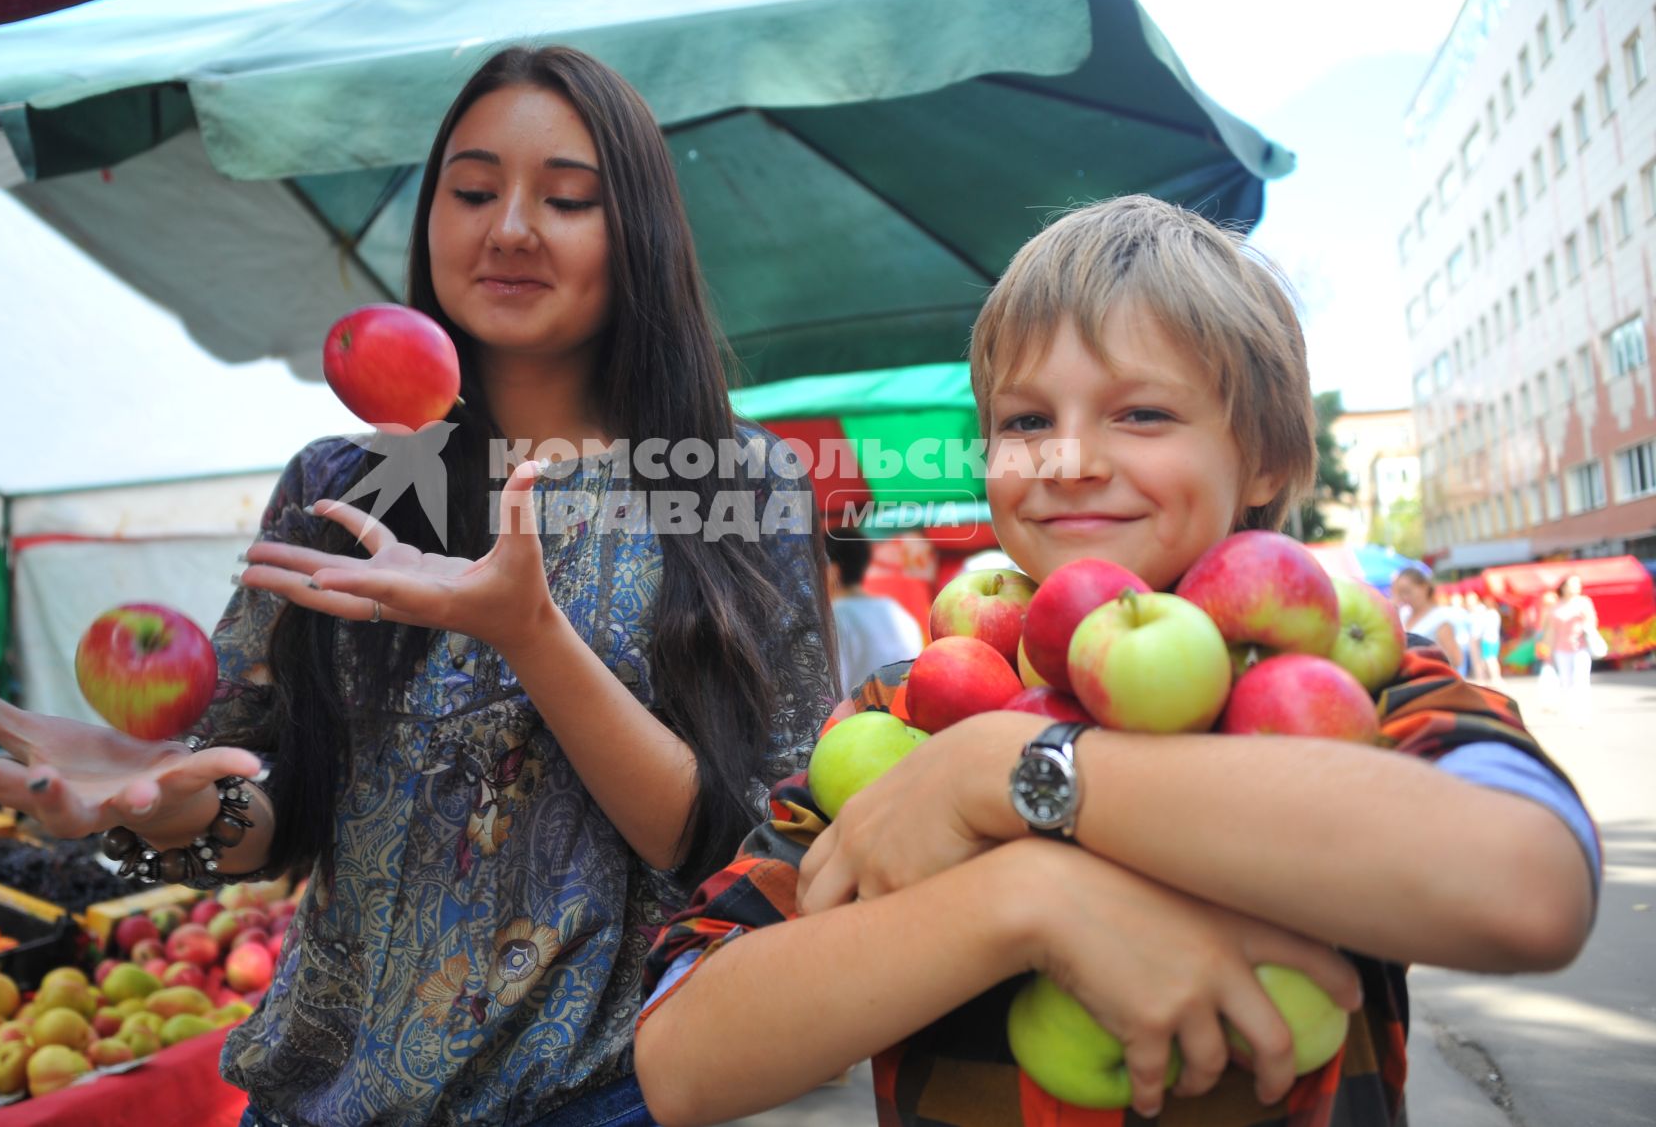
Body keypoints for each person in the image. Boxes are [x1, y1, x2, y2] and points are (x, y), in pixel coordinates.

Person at [0, 45, 837, 1126]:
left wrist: (530, 632)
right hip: (319, 1099)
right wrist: (173, 801)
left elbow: (757, 847)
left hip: (604, 1100)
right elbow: (274, 804)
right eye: (474, 190)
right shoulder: (341, 485)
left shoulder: (738, 484)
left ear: (638, 229)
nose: (509, 229)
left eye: (569, 198)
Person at [632, 196, 1598, 1127]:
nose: (1069, 460)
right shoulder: (916, 706)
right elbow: (680, 1060)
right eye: (1025, 422)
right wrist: (1020, 900)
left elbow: (1531, 888)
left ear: (1262, 457)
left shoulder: (1346, 681)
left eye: (1140, 413)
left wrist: (1018, 772)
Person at [823, 533, 926, 689]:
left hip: (858, 712)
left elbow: (833, 688)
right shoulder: (896, 611)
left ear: (833, 571)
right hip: (902, 707)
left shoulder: (836, 617)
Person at [1546, 575, 1602, 727]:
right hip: (1561, 649)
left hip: (1580, 647)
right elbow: (1551, 630)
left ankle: (1584, 715)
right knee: (1567, 682)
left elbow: (1593, 622)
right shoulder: (1556, 607)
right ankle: (1572, 714)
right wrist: (1548, 652)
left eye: (1578, 584)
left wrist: (1585, 621)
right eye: (1572, 584)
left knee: (1581, 680)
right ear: (1563, 587)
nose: (1576, 587)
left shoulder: (1584, 603)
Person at [1394, 567, 1462, 672]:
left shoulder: (1440, 617)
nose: (1405, 597)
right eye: (1401, 593)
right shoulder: (1404, 615)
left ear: (1424, 587)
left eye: (1408, 591)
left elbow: (1456, 659)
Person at [1465, 592, 1503, 681]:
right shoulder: (1492, 613)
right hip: (1491, 638)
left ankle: (1495, 677)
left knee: (1489, 659)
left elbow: (1481, 628)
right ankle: (1491, 677)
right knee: (1489, 659)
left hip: (1486, 638)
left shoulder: (1487, 613)